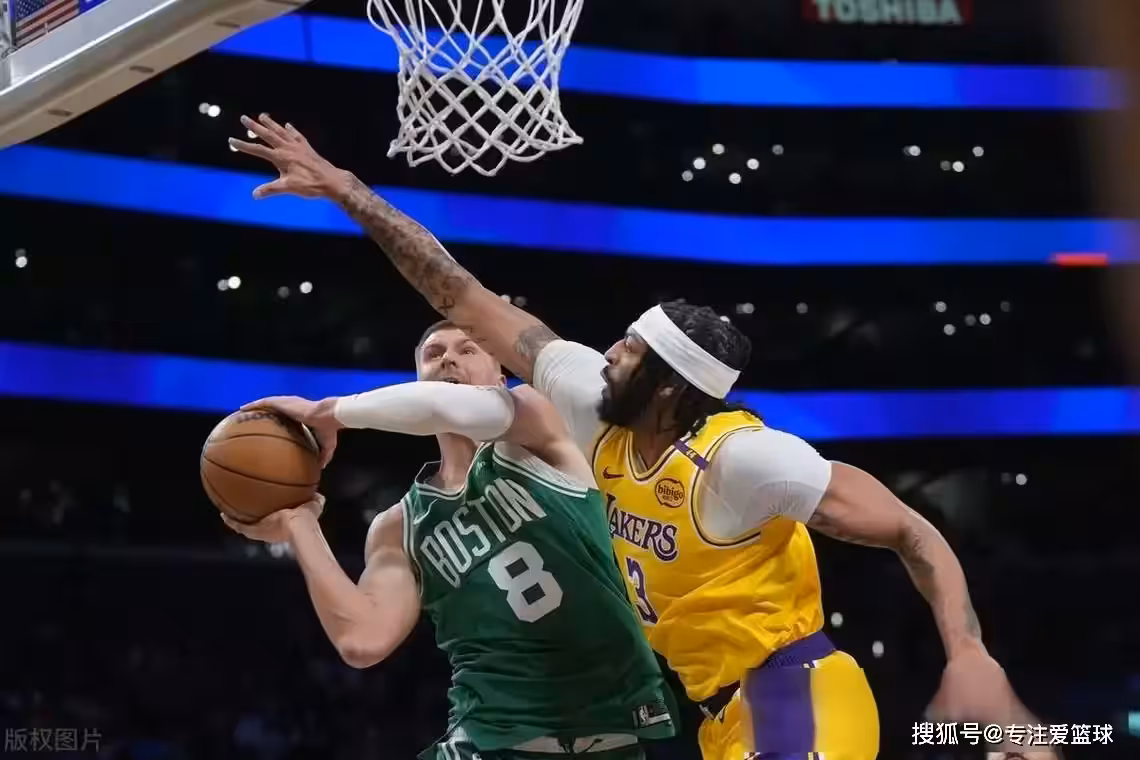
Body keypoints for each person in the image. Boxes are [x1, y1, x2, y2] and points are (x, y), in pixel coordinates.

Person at [229, 113, 1047, 760]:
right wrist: (348, 190)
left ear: (664, 385)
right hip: (710, 716)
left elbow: (908, 528)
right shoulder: (592, 405)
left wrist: (969, 653)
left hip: (793, 690)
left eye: (625, 349)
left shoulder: (741, 459)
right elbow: (459, 291)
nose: (604, 352)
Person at [221, 320, 677, 760]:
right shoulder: (399, 524)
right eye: (433, 354)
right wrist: (301, 526)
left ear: (499, 376)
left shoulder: (539, 424)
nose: (448, 360)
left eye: (468, 349)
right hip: (486, 738)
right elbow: (363, 639)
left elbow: (447, 407)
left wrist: (330, 411)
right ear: (417, 380)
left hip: (610, 728)